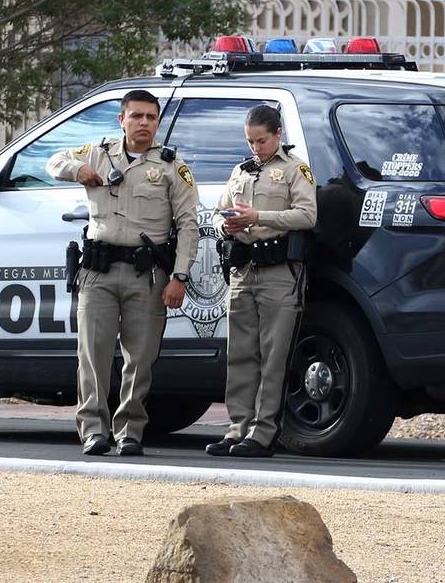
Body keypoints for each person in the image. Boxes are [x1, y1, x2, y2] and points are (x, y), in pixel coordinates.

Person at [47, 89, 199, 457]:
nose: (143, 123)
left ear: (158, 122)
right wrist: (78, 170)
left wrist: (179, 278)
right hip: (98, 271)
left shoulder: (170, 166)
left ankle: (130, 431)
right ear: (122, 120)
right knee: (93, 354)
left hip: (145, 276)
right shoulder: (98, 153)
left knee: (140, 358)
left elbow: (188, 225)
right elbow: (53, 161)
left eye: (150, 117)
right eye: (136, 116)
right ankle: (93, 431)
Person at [205, 104, 317, 458]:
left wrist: (259, 216)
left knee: (273, 355)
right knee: (240, 354)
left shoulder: (295, 170)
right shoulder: (240, 171)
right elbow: (216, 212)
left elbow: (307, 215)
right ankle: (237, 428)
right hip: (243, 270)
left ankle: (264, 432)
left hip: (278, 273)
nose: (256, 147)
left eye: (262, 140)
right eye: (251, 141)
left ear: (278, 135)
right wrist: (226, 224)